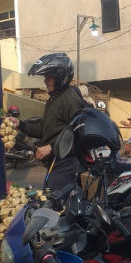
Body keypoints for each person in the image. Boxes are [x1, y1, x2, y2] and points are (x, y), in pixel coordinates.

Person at [19, 53, 85, 192]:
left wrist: (50, 147)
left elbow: (80, 133)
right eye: (45, 77)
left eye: (49, 77)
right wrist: (20, 125)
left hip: (66, 163)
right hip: (55, 162)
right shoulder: (54, 98)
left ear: (61, 77)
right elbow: (43, 130)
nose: (45, 81)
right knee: (48, 199)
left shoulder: (70, 98)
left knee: (53, 204)